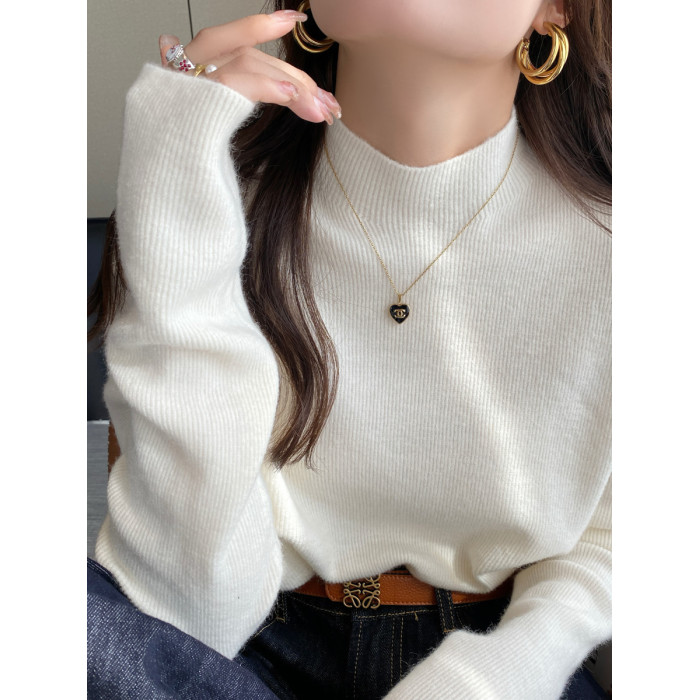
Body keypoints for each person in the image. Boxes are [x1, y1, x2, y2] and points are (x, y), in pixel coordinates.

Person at [87, 0, 611, 698]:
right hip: (246, 651)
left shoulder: (619, 248)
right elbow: (191, 608)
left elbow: (615, 541)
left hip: (507, 656)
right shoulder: (209, 194)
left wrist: (489, 680)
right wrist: (174, 171)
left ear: (557, 11)